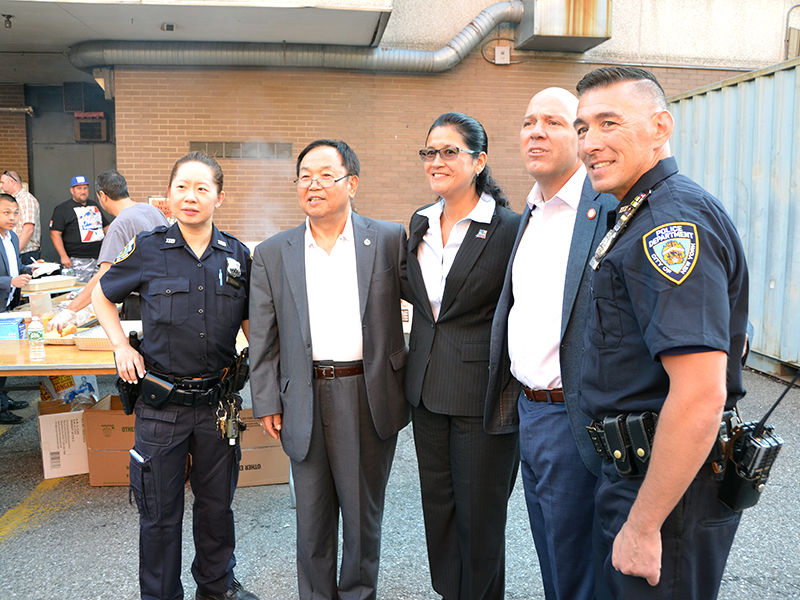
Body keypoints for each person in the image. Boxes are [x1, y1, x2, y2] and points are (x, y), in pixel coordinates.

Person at [573, 66, 749, 599]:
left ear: (660, 126)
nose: (590, 143)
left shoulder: (670, 226)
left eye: (609, 123)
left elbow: (700, 394)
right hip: (641, 475)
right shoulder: (633, 213)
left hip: (668, 493)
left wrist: (645, 524)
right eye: (582, 128)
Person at [91, 152, 258, 600]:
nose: (191, 196)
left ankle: (217, 587)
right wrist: (120, 346)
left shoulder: (238, 256)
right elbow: (102, 298)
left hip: (217, 408)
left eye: (203, 188)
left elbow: (252, 327)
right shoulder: (147, 249)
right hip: (160, 408)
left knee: (216, 509)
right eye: (182, 186)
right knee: (159, 514)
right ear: (168, 195)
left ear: (219, 198)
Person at [249, 139, 409, 600]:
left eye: (325, 174)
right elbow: (264, 335)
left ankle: (359, 594)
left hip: (367, 392)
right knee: (312, 517)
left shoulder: (387, 238)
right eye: (304, 176)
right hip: (303, 393)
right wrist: (266, 400)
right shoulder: (274, 252)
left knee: (362, 517)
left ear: (351, 183)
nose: (313, 184)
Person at [485, 89, 618, 600]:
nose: (536, 131)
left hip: (575, 416)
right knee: (553, 560)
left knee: (580, 567)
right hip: (529, 411)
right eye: (528, 121)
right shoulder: (534, 211)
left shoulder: (606, 208)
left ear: (581, 138)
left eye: (554, 123)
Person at [404, 112, 519, 600]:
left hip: (481, 396)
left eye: (449, 151)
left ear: (479, 161)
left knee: (480, 516)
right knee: (440, 510)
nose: (437, 161)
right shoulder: (420, 222)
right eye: (430, 152)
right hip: (426, 392)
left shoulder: (509, 227)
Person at [47, 169, 168, 333]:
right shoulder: (154, 211)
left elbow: (103, 275)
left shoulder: (120, 224)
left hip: (141, 304)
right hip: (167, 298)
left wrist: (69, 311)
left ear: (103, 196)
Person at [0, 193, 32, 424]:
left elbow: (15, 266)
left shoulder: (11, 237)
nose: (12, 218)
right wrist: (10, 282)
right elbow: (8, 277)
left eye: (15, 213)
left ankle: (3, 399)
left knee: (5, 357)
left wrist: (30, 269)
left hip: (9, 305)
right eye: (6, 213)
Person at [50, 174, 110, 283]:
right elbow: (55, 233)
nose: (83, 191)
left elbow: (106, 227)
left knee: (100, 291)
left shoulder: (94, 205)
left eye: (85, 188)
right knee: (80, 292)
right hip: (77, 260)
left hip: (99, 258)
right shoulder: (62, 209)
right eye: (79, 188)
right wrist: (63, 256)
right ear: (72, 190)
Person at [0, 170, 41, 263]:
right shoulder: (14, 200)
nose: (1, 186)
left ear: (11, 182)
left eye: (2, 182)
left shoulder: (26, 199)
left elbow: (28, 230)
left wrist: (14, 252)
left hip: (25, 253)